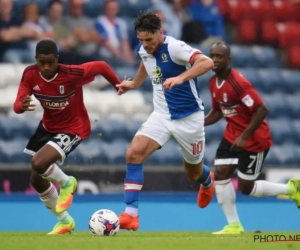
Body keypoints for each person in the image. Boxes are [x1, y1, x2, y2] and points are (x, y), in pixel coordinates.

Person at [115, 11, 215, 231]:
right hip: (160, 115)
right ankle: (131, 214)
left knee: (193, 173)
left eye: (149, 40)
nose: (145, 45)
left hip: (189, 119)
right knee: (134, 153)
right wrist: (134, 84)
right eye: (141, 40)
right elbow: (145, 62)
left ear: (161, 32)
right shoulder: (144, 49)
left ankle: (207, 181)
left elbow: (207, 62)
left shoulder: (175, 47)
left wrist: (181, 77)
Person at [13, 39, 121, 235]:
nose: (46, 67)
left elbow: (101, 66)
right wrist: (22, 105)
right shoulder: (30, 74)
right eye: (41, 62)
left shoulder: (71, 73)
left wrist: (118, 85)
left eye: (50, 62)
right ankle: (65, 221)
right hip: (48, 127)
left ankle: (66, 182)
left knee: (38, 163)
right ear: (36, 60)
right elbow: (17, 105)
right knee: (36, 179)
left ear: (57, 60)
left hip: (73, 127)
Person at [205, 41, 300, 235]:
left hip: (254, 140)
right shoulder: (213, 82)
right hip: (232, 135)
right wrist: (198, 123)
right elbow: (218, 111)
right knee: (221, 174)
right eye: (212, 55)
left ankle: (291, 189)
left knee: (246, 188)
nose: (215, 59)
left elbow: (261, 109)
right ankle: (234, 226)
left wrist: (244, 136)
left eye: (219, 56)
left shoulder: (238, 83)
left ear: (229, 59)